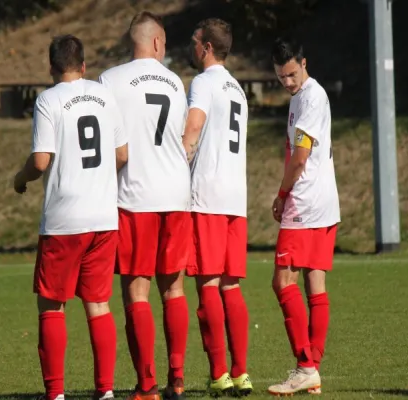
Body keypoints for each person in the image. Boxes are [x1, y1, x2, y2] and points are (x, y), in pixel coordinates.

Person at [13, 34, 128, 400]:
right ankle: (105, 391)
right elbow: (122, 155)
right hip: (103, 218)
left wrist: (20, 178)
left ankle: (56, 394)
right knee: (98, 304)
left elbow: (41, 161)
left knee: (51, 304)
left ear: (51, 69)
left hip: (65, 218)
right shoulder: (105, 96)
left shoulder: (48, 99)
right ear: (83, 65)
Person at [98, 11, 191, 400]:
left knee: (137, 291)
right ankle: (178, 379)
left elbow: (109, 145)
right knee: (174, 289)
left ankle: (147, 385)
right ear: (156, 42)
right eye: (165, 43)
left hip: (135, 196)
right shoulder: (176, 82)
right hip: (176, 194)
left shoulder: (111, 80)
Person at [182, 18, 252, 397]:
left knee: (208, 281)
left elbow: (193, 130)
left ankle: (219, 373)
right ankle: (241, 372)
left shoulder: (205, 82)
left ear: (207, 47)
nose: (192, 48)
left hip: (207, 193)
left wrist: (176, 163)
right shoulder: (237, 88)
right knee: (230, 284)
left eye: (195, 42)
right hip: (235, 198)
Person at [267, 35, 341, 396]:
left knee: (283, 282)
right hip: (324, 203)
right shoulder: (304, 97)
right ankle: (313, 366)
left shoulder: (311, 97)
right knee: (315, 284)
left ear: (304, 63)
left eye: (292, 74)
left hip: (306, 203)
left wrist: (282, 194)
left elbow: (300, 157)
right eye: (282, 76)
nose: (288, 82)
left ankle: (305, 366)